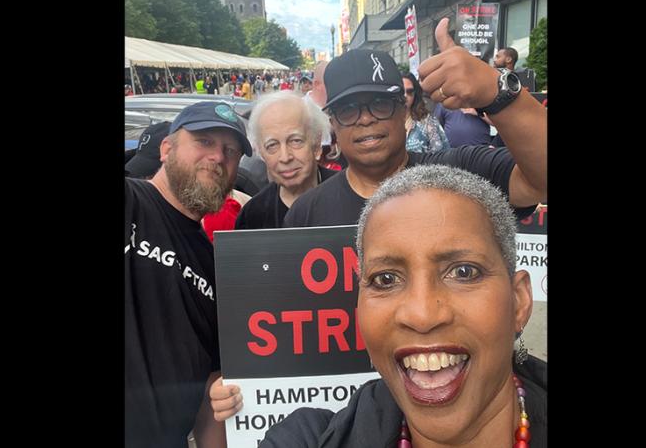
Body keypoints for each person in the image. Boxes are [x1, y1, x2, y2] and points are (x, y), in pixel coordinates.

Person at [220, 165, 547, 447]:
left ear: (519, 301)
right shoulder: (308, 439)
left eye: (463, 272)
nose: (421, 315)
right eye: (386, 279)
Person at [283, 17, 547, 228]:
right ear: (333, 123)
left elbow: (540, 181)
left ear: (403, 110)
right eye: (348, 110)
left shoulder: (462, 174)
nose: (365, 119)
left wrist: (496, 90)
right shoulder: (306, 214)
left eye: (380, 104)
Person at [125, 101, 253, 448]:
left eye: (231, 151)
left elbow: (211, 390)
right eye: (204, 141)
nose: (218, 157)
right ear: (167, 149)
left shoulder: (215, 265)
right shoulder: (132, 201)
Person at [234, 90, 336, 229]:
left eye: (295, 141)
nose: (285, 157)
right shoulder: (253, 216)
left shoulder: (351, 196)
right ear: (261, 152)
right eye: (272, 145)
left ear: (316, 143)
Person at [402, 72, 449, 153]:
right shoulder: (384, 122)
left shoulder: (428, 121)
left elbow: (442, 154)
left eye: (409, 92)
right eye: (401, 91)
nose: (405, 96)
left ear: (415, 94)